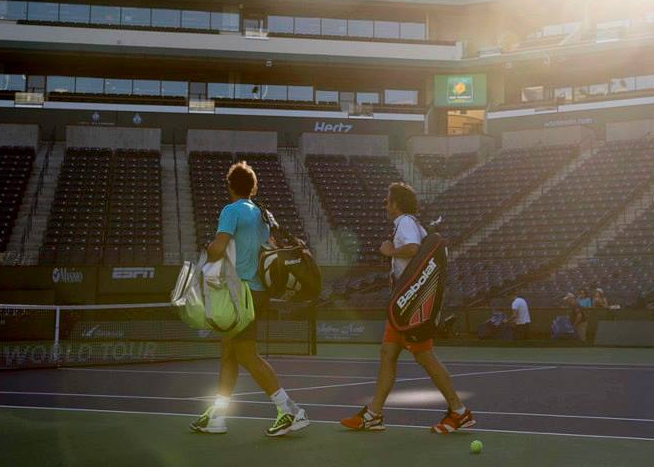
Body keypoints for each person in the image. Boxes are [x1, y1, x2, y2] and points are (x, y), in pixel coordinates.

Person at [341, 182, 474, 434]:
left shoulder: (405, 222)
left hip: (410, 305)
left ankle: (459, 412)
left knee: (425, 357)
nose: (384, 204)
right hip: (404, 304)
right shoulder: (410, 223)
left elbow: (412, 249)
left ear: (396, 204)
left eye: (386, 200)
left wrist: (389, 251)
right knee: (387, 353)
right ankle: (374, 414)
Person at [190, 161, 308, 437]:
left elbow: (218, 249)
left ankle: (288, 410)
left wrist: (205, 251)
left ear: (230, 186)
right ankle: (217, 416)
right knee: (229, 354)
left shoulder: (231, 211)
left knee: (244, 353)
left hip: (240, 293)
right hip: (257, 292)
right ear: (252, 187)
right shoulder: (263, 214)